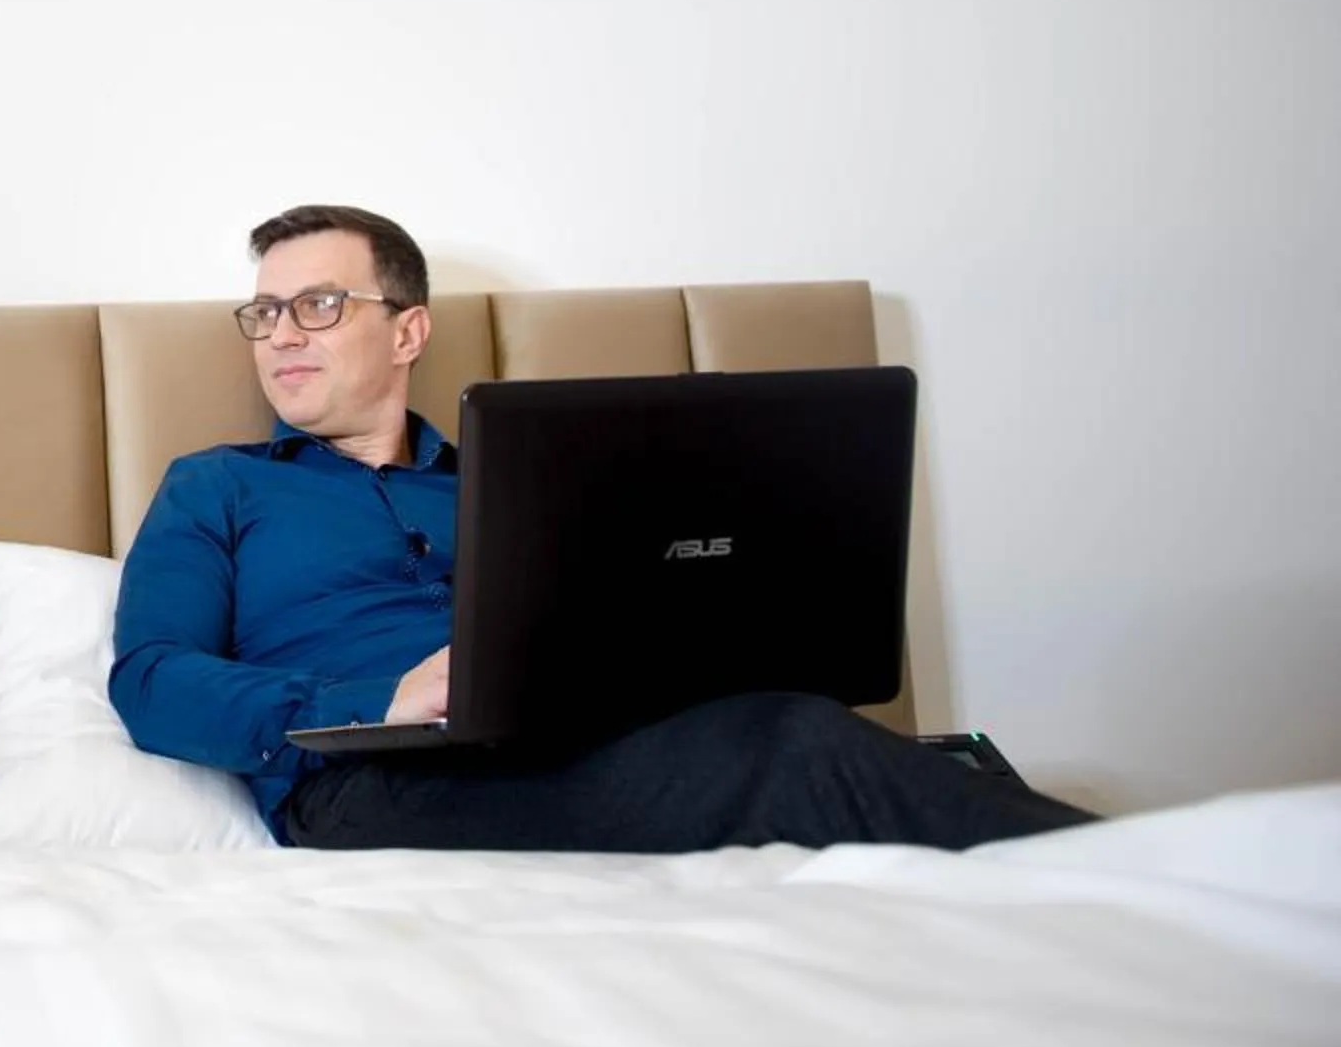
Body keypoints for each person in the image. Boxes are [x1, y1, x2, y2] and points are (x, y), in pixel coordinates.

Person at [108, 203, 1092, 854]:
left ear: (407, 330)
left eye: (317, 304)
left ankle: (1086, 863)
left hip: (596, 746)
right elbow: (150, 678)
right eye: (267, 309)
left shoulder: (530, 482)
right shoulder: (217, 487)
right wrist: (380, 699)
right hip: (371, 784)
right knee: (790, 745)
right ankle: (1125, 866)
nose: (280, 331)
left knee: (813, 733)